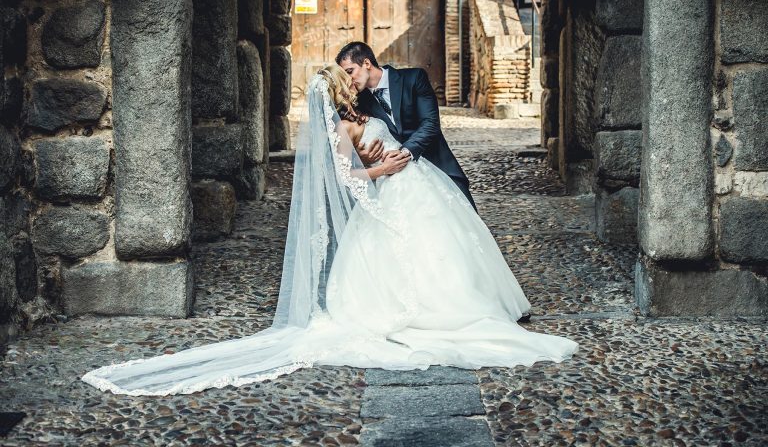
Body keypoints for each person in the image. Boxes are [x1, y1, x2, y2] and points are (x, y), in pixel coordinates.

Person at [80, 65, 577, 396]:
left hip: (419, 193)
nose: (356, 81)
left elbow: (392, 138)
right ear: (342, 91)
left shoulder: (365, 115)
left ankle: (464, 303)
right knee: (415, 263)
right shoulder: (343, 129)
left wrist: (387, 156)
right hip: (392, 195)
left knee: (446, 252)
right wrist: (380, 169)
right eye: (348, 79)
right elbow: (348, 179)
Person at [336, 41, 476, 210]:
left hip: (437, 165)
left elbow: (430, 124)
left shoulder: (414, 78)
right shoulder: (357, 101)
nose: (348, 79)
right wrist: (362, 158)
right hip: (396, 185)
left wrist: (403, 153)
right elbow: (351, 143)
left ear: (366, 63)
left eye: (350, 71)